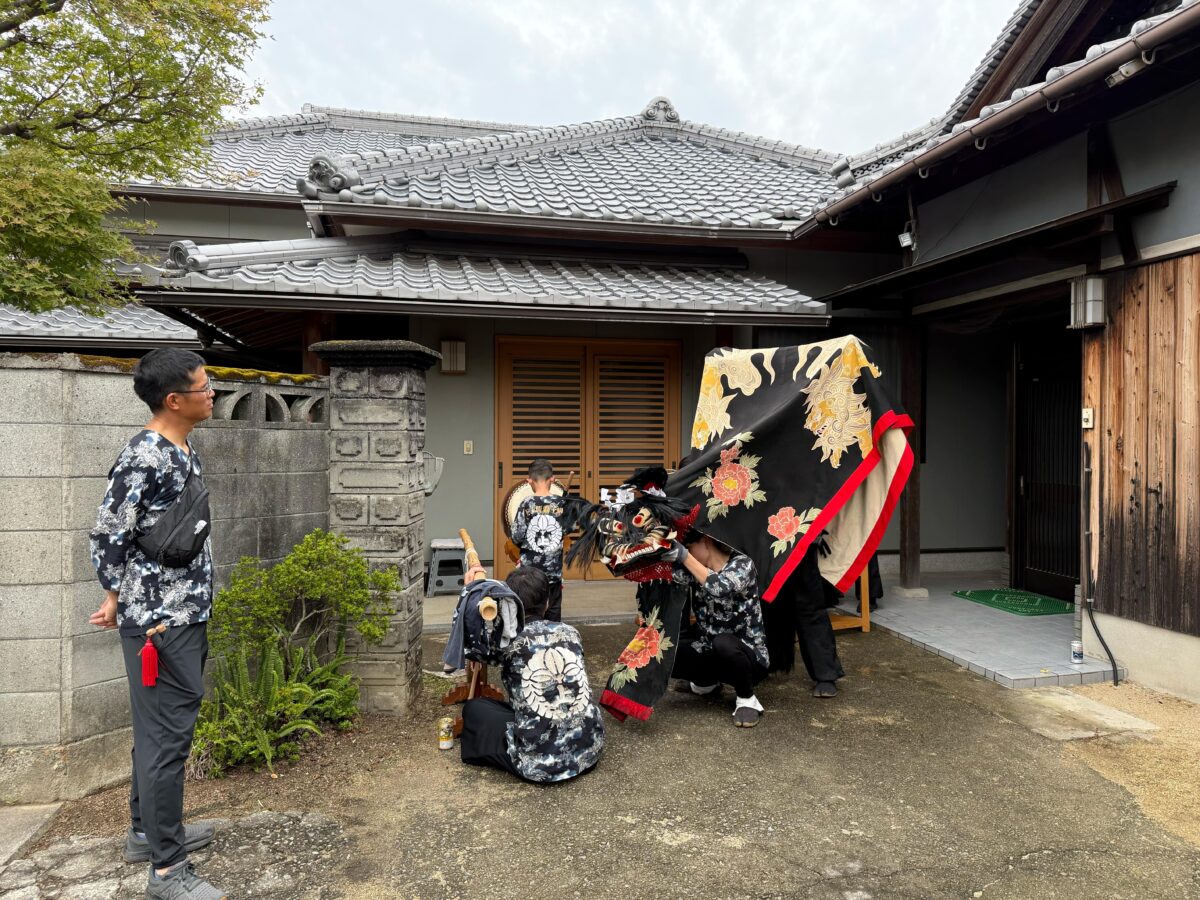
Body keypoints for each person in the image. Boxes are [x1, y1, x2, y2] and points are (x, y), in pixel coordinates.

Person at [89, 348, 225, 900]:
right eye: (204, 385)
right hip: (161, 622)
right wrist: (112, 593)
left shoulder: (181, 448)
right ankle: (167, 870)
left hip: (182, 610)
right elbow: (108, 530)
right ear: (175, 400)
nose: (212, 391)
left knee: (160, 733)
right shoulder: (145, 455)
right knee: (167, 736)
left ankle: (148, 832)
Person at [460, 566, 605, 782]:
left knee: (475, 708)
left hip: (539, 763)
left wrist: (469, 591)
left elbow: (470, 647)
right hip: (588, 749)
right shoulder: (570, 633)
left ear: (508, 601)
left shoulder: (507, 642)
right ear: (547, 603)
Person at [668, 533, 770, 727]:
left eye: (689, 547)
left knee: (723, 643)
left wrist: (685, 557)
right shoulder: (696, 568)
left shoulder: (742, 563)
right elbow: (666, 575)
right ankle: (706, 684)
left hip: (748, 658)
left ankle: (746, 699)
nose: (687, 554)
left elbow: (721, 587)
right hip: (712, 651)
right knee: (665, 650)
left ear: (706, 541)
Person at [510, 458, 567, 621]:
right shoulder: (562, 503)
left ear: (529, 481)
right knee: (553, 612)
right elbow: (568, 530)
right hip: (554, 573)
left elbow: (516, 536)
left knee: (529, 614)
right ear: (553, 480)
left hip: (529, 575)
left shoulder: (527, 503)